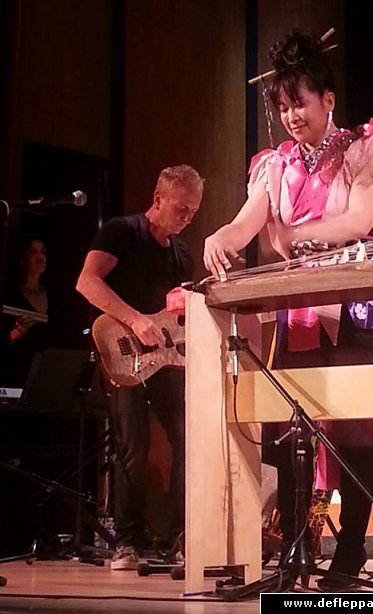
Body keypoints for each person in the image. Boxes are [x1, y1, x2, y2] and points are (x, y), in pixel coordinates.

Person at [203, 29, 373, 590]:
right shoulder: (276, 165)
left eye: (301, 103)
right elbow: (247, 221)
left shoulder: (365, 150)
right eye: (284, 107)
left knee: (354, 425)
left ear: (328, 100)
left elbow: (359, 220)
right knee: (294, 423)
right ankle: (293, 550)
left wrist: (298, 234)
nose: (292, 116)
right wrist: (221, 236)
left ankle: (350, 552)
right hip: (301, 308)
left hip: (356, 304)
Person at [76, 165, 203, 570]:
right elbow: (87, 282)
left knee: (188, 438)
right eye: (181, 209)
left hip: (164, 358)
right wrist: (134, 320)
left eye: (193, 212)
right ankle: (126, 542)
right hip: (122, 350)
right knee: (133, 445)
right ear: (158, 198)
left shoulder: (182, 253)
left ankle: (180, 537)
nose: (186, 218)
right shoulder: (121, 231)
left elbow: (175, 312)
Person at [1, 238, 51, 387]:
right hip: (17, 376)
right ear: (22, 259)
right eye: (33, 252)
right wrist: (16, 334)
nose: (40, 257)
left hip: (47, 375)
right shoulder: (9, 297)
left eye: (43, 252)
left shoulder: (54, 296)